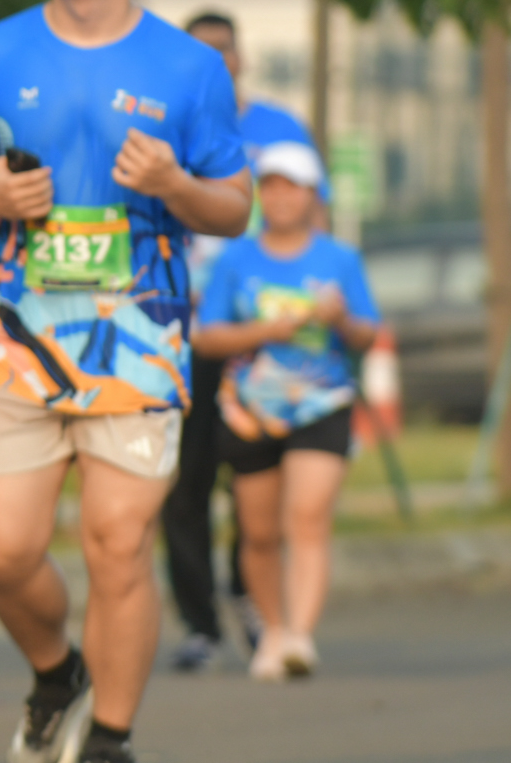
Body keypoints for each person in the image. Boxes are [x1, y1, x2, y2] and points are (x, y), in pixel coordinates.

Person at [0, 0, 250, 763]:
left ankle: (109, 736)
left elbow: (233, 205)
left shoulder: (189, 68)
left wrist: (175, 184)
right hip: (16, 336)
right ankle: (55, 670)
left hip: (139, 337)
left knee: (117, 541)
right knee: (2, 551)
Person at [162, 11, 329, 671]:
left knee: (256, 481)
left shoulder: (278, 130)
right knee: (185, 482)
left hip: (264, 341)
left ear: (240, 58)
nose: (212, 62)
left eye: (222, 51)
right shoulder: (158, 128)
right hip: (180, 328)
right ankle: (199, 621)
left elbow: (316, 219)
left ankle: (252, 599)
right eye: (197, 51)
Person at [192, 141, 378, 682]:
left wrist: (340, 320)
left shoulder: (340, 259)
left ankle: (300, 634)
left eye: (292, 187)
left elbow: (368, 333)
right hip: (251, 409)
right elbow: (206, 337)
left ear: (313, 195)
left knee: (307, 517)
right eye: (270, 186)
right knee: (259, 533)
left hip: (322, 402)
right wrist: (265, 331)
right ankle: (272, 628)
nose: (280, 197)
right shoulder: (235, 259)